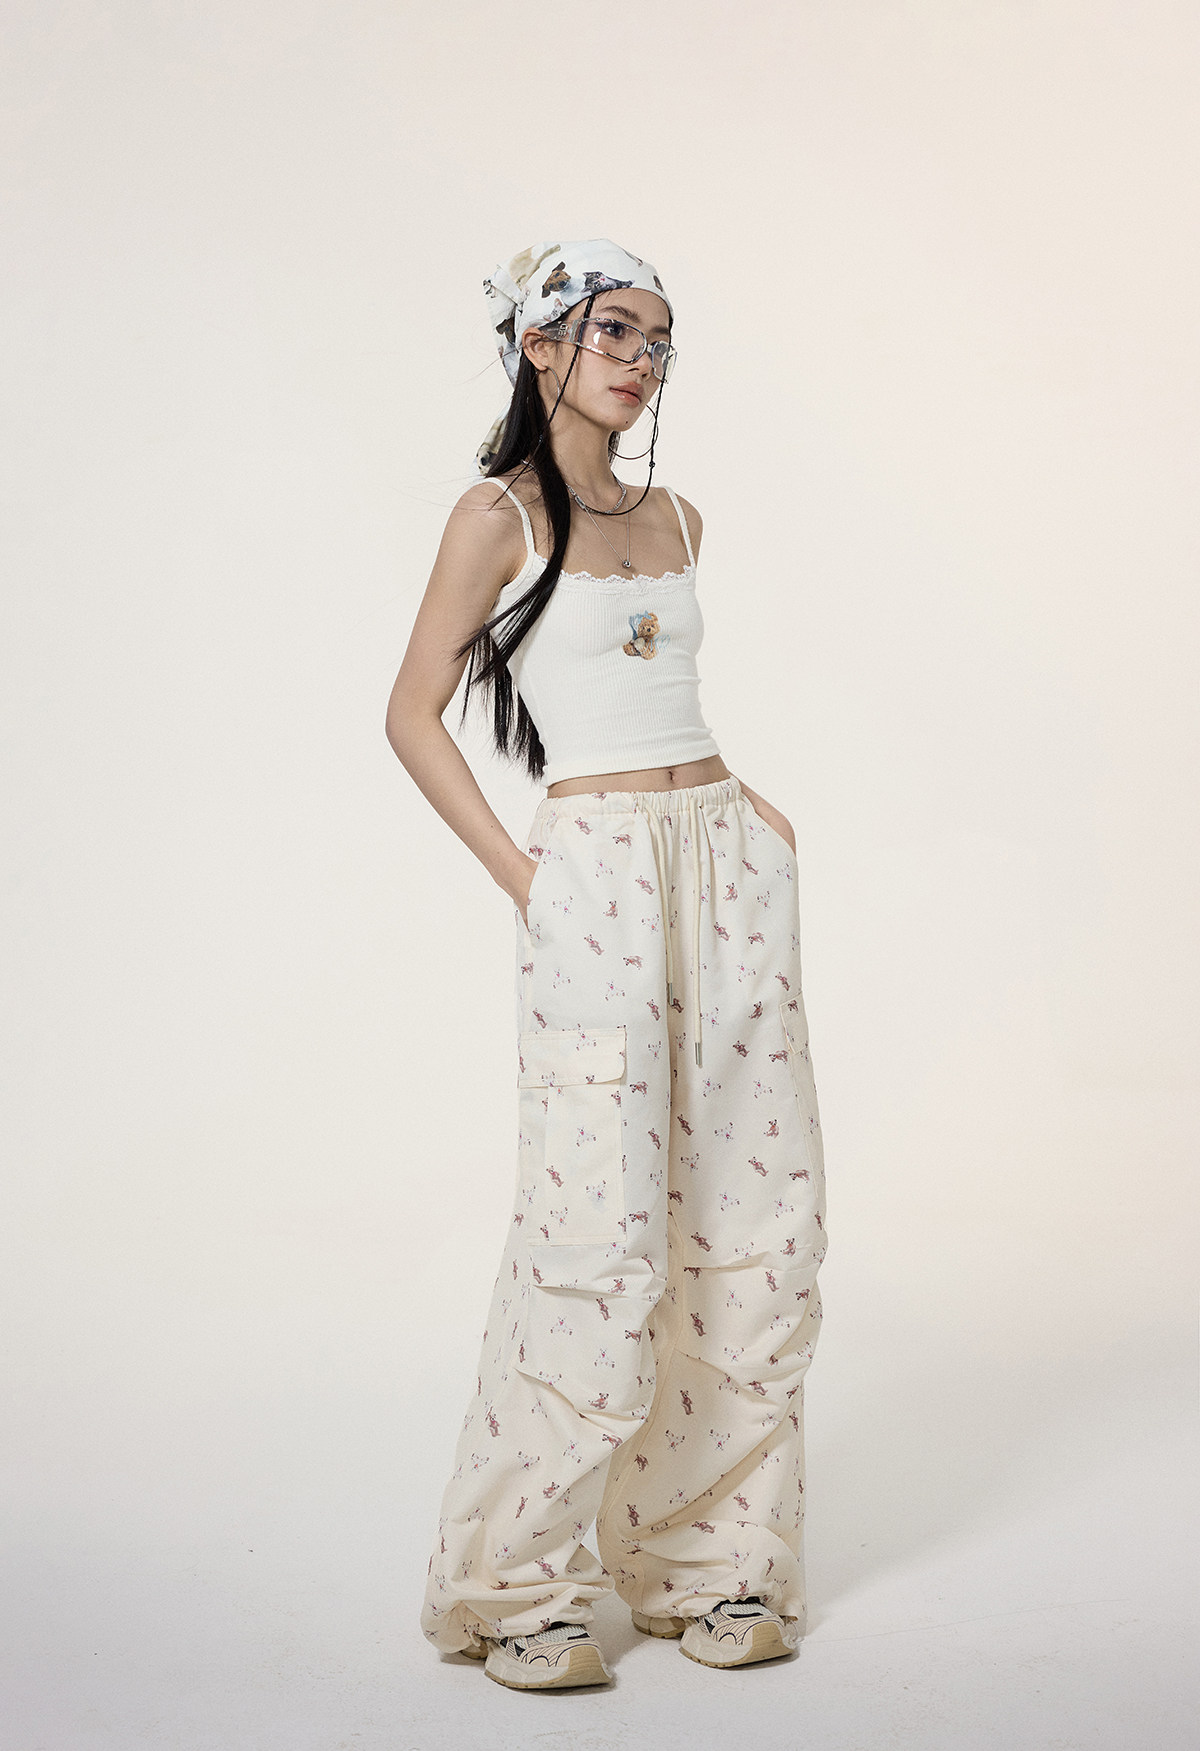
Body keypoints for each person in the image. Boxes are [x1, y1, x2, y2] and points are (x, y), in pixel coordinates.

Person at [385, 238, 828, 1691]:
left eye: (659, 339)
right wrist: (528, 879)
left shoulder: (683, 519)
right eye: (614, 331)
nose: (641, 359)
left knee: (754, 1221)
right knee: (600, 1227)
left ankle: (715, 1566)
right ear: (540, 344)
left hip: (726, 867)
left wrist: (755, 820)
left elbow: (668, 695)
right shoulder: (495, 517)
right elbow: (410, 713)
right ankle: (519, 1584)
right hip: (594, 879)